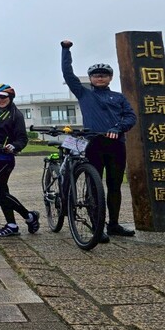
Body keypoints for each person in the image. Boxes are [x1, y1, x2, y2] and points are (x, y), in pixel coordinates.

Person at [61, 40, 137, 242]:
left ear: (110, 78)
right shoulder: (84, 93)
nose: (100, 77)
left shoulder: (118, 97)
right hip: (93, 144)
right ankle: (96, 227)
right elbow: (68, 75)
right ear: (91, 79)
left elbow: (131, 117)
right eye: (96, 75)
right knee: (93, 184)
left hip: (116, 144)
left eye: (104, 75)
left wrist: (117, 128)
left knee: (115, 186)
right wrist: (65, 50)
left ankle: (113, 224)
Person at [0, 57, 40, 237]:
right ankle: (12, 225)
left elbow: (22, 139)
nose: (0, 100)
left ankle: (28, 215)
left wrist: (13, 147)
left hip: (4, 158)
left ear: (10, 97)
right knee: (0, 191)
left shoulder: (16, 115)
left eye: (3, 97)